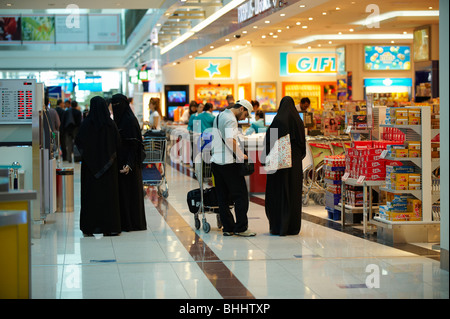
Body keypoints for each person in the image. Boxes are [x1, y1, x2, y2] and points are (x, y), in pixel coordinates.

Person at [75, 96, 122, 237]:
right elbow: (118, 144)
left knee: (91, 198)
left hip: (90, 170)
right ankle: (110, 227)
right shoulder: (110, 124)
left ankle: (89, 227)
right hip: (109, 169)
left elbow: (79, 143)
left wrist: (90, 158)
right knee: (109, 198)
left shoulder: (86, 124)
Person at [210, 99, 255, 237]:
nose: (244, 118)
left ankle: (228, 228)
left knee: (222, 197)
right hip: (228, 163)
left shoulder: (220, 115)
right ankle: (241, 228)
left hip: (216, 162)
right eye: (246, 115)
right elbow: (230, 140)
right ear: (241, 108)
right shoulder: (231, 119)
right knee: (240, 196)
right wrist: (241, 156)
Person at [263, 96, 306, 236]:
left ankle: (279, 226)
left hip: (280, 165)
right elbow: (302, 146)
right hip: (295, 165)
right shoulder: (299, 122)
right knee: (293, 193)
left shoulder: (279, 120)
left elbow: (269, 141)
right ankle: (292, 227)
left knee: (279, 193)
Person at [111, 93, 147, 232]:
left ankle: (133, 223)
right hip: (122, 162)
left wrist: (129, 164)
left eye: (117, 105)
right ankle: (126, 223)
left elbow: (134, 145)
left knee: (130, 194)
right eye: (113, 105)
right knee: (124, 194)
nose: (115, 108)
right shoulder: (119, 120)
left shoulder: (129, 121)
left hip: (129, 164)